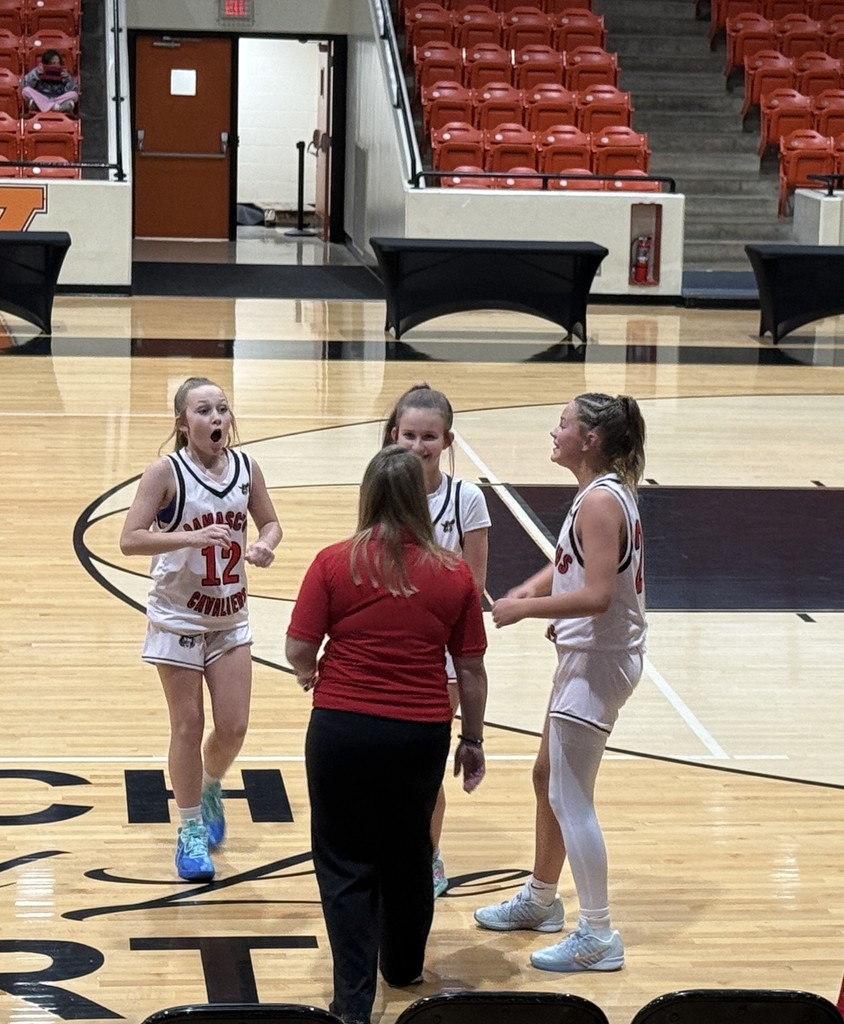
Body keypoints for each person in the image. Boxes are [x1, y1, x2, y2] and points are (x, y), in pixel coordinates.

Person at [286, 445, 488, 1024]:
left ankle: (353, 1004)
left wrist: (309, 672)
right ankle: (401, 967)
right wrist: (472, 740)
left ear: (368, 495)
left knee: (344, 860)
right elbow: (471, 669)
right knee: (409, 850)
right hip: (419, 733)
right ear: (421, 501)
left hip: (342, 729)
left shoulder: (333, 563)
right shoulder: (454, 574)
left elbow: (298, 647)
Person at [476, 392, 646, 973]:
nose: (555, 432)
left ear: (590, 439)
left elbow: (597, 595)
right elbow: (576, 563)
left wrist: (527, 609)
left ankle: (598, 934)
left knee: (571, 797)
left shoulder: (599, 501)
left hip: (599, 662)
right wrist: (534, 586)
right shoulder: (602, 492)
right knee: (546, 776)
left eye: (564, 424)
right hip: (588, 655)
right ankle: (542, 900)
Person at [120, 376, 282, 883]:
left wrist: (265, 545)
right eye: (204, 410)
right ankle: (189, 829)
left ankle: (210, 785)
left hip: (230, 615)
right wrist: (189, 537)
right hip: (178, 616)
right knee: (188, 726)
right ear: (183, 422)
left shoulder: (247, 467)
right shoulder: (165, 472)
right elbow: (130, 539)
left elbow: (271, 523)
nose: (216, 418)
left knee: (233, 727)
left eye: (222, 409)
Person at [383, 383, 491, 898]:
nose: (418, 445)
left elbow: (474, 586)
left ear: (447, 441)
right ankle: (390, 852)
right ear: (394, 435)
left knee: (422, 766)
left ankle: (428, 854)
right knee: (385, 762)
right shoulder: (383, 490)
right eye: (409, 435)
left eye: (429, 436)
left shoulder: (466, 499)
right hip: (390, 647)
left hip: (442, 653)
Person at [20, 49, 79, 114]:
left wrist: (68, 79)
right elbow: (24, 84)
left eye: (58, 63)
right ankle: (56, 107)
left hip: (58, 98)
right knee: (25, 90)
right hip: (41, 98)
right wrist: (36, 74)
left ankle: (44, 106)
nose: (56, 65)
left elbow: (71, 90)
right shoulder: (38, 71)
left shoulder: (64, 73)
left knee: (74, 94)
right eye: (53, 63)